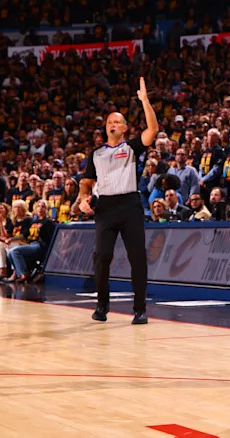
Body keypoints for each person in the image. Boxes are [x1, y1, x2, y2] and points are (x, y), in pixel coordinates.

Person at [78, 77, 158, 325]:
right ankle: (102, 305)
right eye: (109, 121)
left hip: (129, 205)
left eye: (117, 122)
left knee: (137, 257)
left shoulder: (132, 148)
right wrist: (82, 198)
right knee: (102, 256)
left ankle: (140, 309)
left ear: (125, 128)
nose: (112, 124)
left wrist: (144, 101)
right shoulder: (96, 153)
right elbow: (86, 181)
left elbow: (153, 131)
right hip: (105, 207)